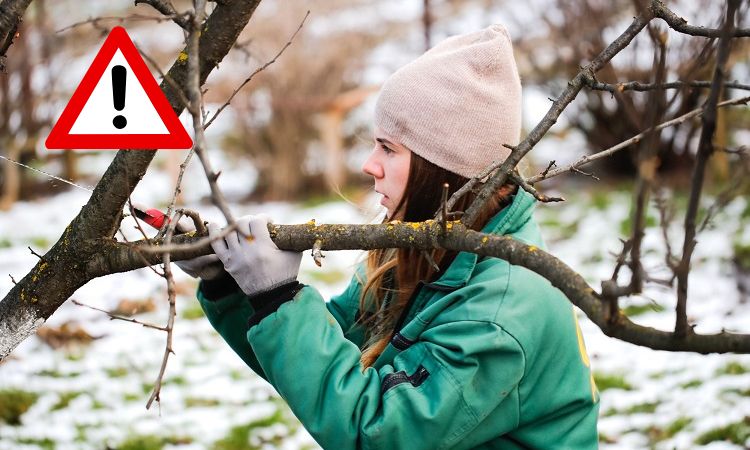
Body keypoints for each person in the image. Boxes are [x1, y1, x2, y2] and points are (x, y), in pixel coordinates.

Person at [178, 24, 599, 449]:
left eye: (389, 148)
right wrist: (232, 285)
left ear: (444, 169)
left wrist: (278, 299)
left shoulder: (499, 314)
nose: (368, 164)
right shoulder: (420, 252)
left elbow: (375, 433)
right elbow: (324, 360)